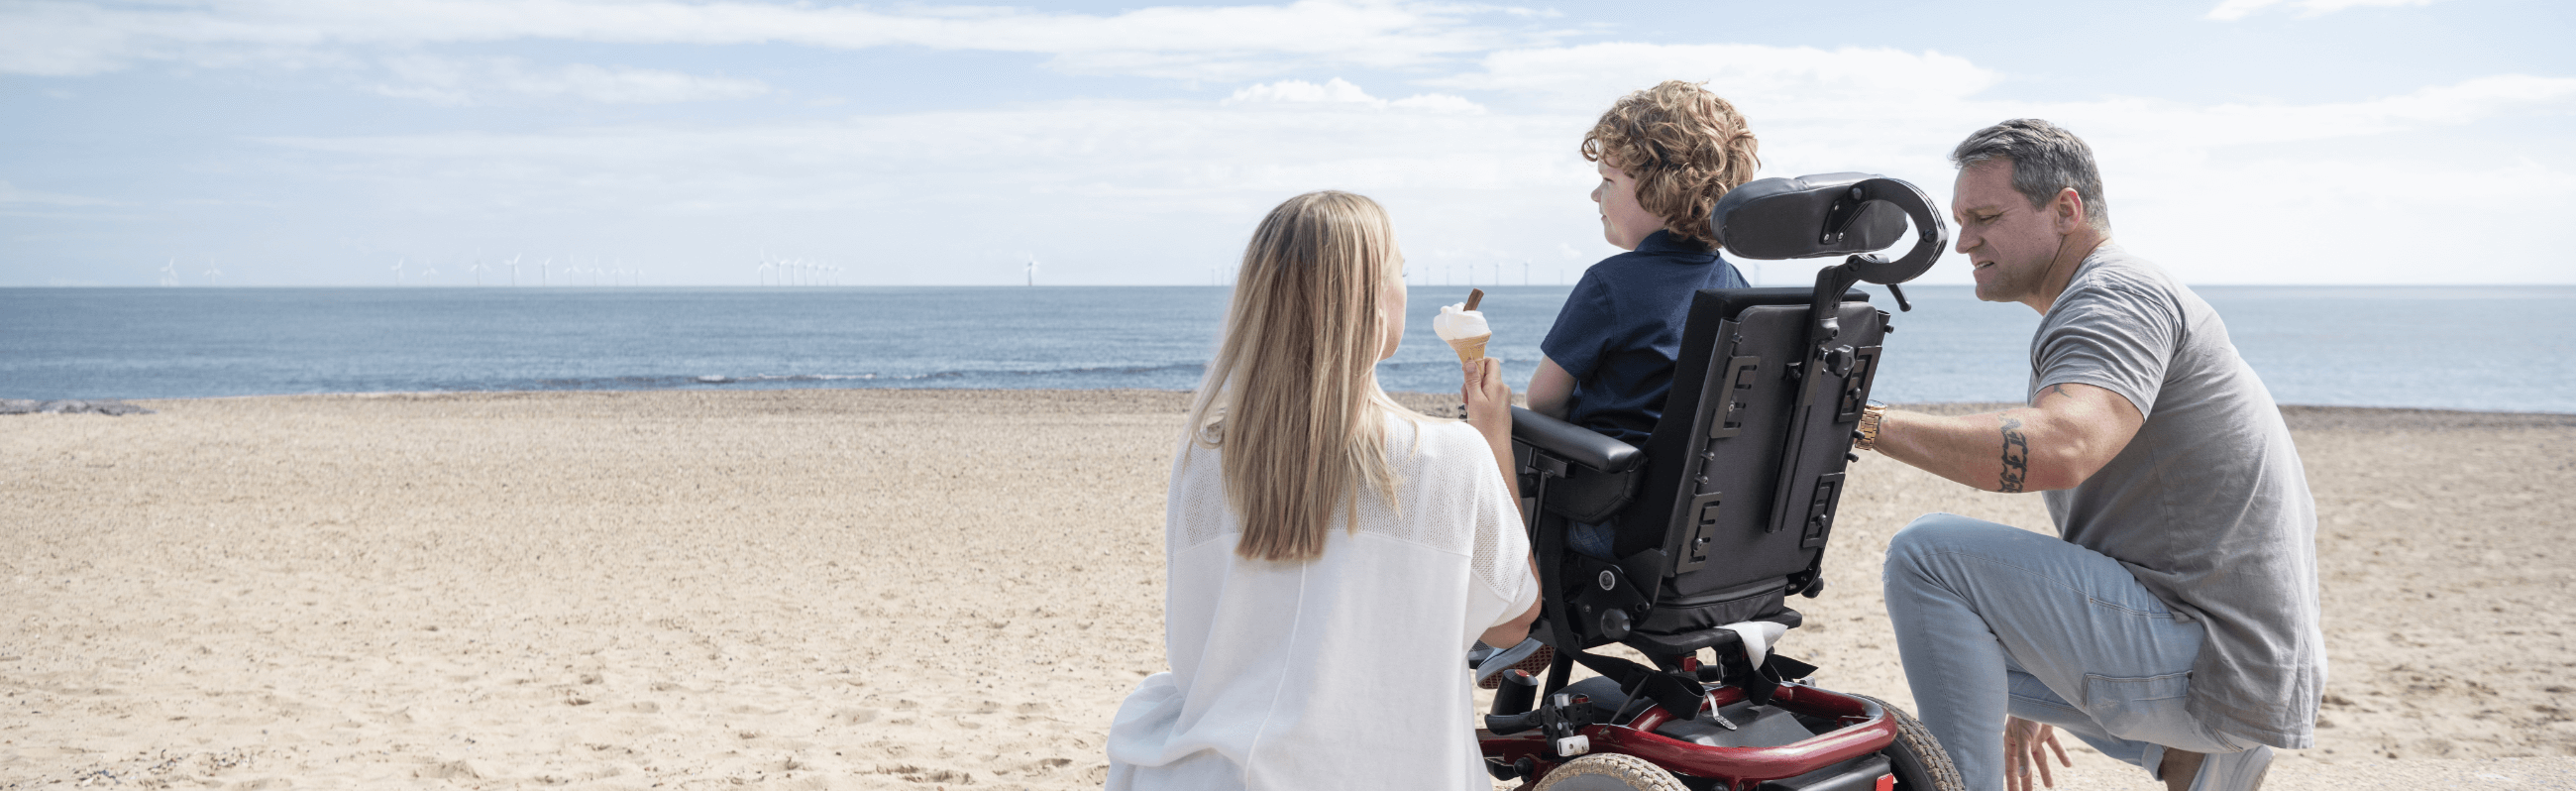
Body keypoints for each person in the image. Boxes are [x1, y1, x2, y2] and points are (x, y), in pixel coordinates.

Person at [1859, 119, 2323, 791]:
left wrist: (1863, 422)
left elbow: (2062, 446)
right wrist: (2030, 670)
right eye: (1961, 220)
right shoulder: (2113, 293)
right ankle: (2190, 760)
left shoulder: (2111, 298)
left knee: (1927, 555)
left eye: (1986, 217)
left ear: (2066, 210)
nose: (1964, 242)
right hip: (2242, 654)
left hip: (2218, 658)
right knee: (1964, 616)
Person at [1103, 190, 1542, 790]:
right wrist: (1494, 443)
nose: (1405, 287)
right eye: (1401, 272)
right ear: (1370, 301)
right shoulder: (1451, 457)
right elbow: (1513, 624)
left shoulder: (1202, 457)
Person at [1526, 79, 1759, 558]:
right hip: (1696, 526)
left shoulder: (1609, 284)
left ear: (1660, 190)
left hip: (1607, 519)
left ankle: (1514, 631)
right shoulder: (1734, 286)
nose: (1595, 195)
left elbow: (1543, 400)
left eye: (1608, 181)